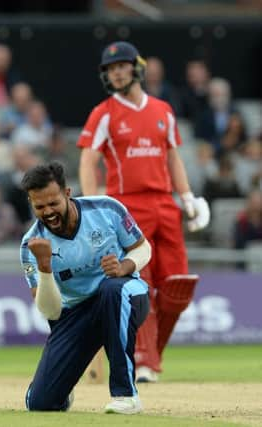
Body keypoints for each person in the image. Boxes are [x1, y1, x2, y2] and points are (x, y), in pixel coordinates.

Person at [77, 41, 211, 383]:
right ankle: (143, 360)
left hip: (166, 204)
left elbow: (173, 157)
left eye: (121, 65)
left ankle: (149, 356)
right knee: (142, 283)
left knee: (177, 287)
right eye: (110, 68)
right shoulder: (103, 112)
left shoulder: (163, 109)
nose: (116, 72)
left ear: (137, 67)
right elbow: (88, 161)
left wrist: (188, 196)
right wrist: (95, 207)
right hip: (128, 206)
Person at [20, 161, 151, 414]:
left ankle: (126, 395)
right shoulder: (31, 245)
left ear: (67, 193)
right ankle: (59, 387)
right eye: (40, 206)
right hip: (75, 314)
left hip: (126, 295)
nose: (48, 212)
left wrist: (124, 267)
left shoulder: (107, 209)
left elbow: (143, 248)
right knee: (40, 404)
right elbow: (50, 312)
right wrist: (45, 268)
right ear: (31, 202)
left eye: (53, 203)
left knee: (112, 290)